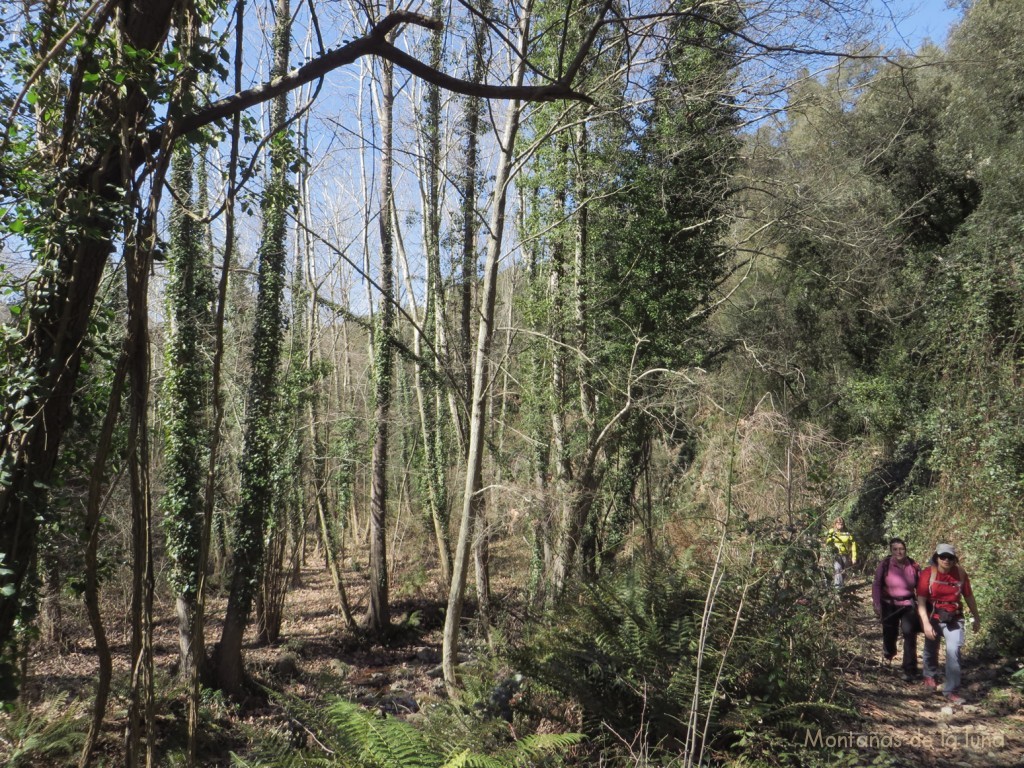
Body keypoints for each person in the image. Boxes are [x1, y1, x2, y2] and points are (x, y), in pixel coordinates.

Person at [916, 543, 981, 704]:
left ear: (954, 559)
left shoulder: (960, 574)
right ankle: (929, 676)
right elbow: (921, 600)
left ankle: (950, 689)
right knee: (931, 647)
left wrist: (976, 617)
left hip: (954, 617)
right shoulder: (927, 574)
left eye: (950, 557)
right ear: (936, 558)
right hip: (934, 616)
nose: (946, 560)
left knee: (954, 650)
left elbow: (969, 597)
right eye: (942, 557)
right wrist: (925, 623)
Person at [872, 538, 921, 681]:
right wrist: (877, 603)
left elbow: (921, 585)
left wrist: (924, 603)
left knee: (910, 634)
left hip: (908, 604)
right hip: (889, 603)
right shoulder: (885, 564)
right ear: (891, 551)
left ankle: (909, 669)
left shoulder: (913, 565)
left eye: (901, 549)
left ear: (905, 550)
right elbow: (877, 584)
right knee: (889, 633)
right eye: (895, 549)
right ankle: (889, 655)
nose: (899, 552)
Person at [825, 517, 857, 588]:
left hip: (846, 555)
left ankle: (841, 587)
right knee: (838, 570)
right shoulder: (832, 531)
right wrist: (830, 536)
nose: (840, 523)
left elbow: (853, 544)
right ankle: (838, 589)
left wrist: (854, 557)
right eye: (838, 522)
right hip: (836, 555)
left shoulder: (847, 533)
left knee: (843, 572)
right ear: (835, 524)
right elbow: (827, 542)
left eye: (841, 522)